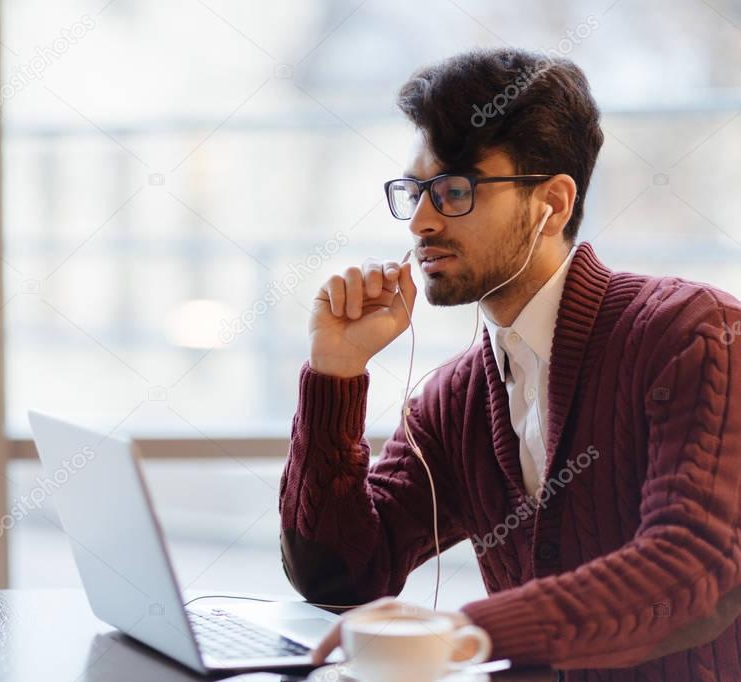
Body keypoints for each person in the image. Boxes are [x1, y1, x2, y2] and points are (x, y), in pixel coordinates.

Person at [279, 48, 741, 681]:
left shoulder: (692, 335)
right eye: (415, 190)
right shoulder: (457, 397)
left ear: (551, 202)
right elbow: (342, 575)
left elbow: (694, 568)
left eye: (454, 190)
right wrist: (335, 373)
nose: (420, 220)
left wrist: (470, 630)